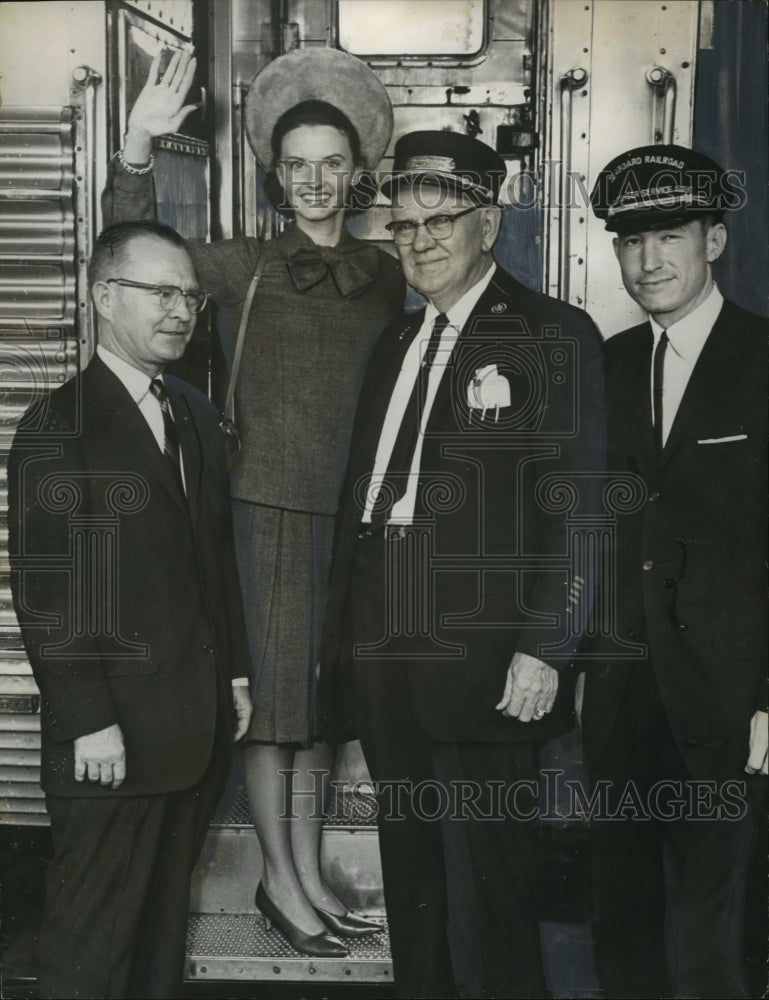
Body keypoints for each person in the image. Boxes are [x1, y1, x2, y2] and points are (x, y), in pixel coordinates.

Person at [102, 48, 405, 956]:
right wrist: (134, 154)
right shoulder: (240, 265)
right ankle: (278, 881)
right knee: (273, 715)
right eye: (298, 165)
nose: (315, 181)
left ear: (357, 175)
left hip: (352, 521)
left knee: (319, 709)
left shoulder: (386, 270)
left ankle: (308, 873)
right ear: (277, 176)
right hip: (265, 516)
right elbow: (132, 255)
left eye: (332, 164)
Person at [318, 130, 606, 998]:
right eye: (402, 227)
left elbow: (581, 503)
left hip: (486, 667)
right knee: (414, 892)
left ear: (490, 223)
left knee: (489, 902)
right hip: (387, 660)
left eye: (440, 220)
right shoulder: (392, 346)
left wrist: (545, 647)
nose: (419, 242)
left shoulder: (552, 333)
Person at [7, 221, 253, 999]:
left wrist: (238, 677)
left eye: (190, 295)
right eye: (161, 292)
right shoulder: (57, 425)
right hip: (108, 742)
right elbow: (47, 590)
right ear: (104, 296)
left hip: (191, 730)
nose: (181, 311)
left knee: (155, 956)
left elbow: (213, 560)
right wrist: (86, 719)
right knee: (93, 953)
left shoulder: (190, 411)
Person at [584, 144, 768, 998]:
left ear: (716, 241)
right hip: (621, 694)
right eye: (629, 241)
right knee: (620, 921)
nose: (647, 260)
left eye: (670, 235)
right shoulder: (607, 367)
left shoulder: (763, 360)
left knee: (713, 935)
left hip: (729, 702)